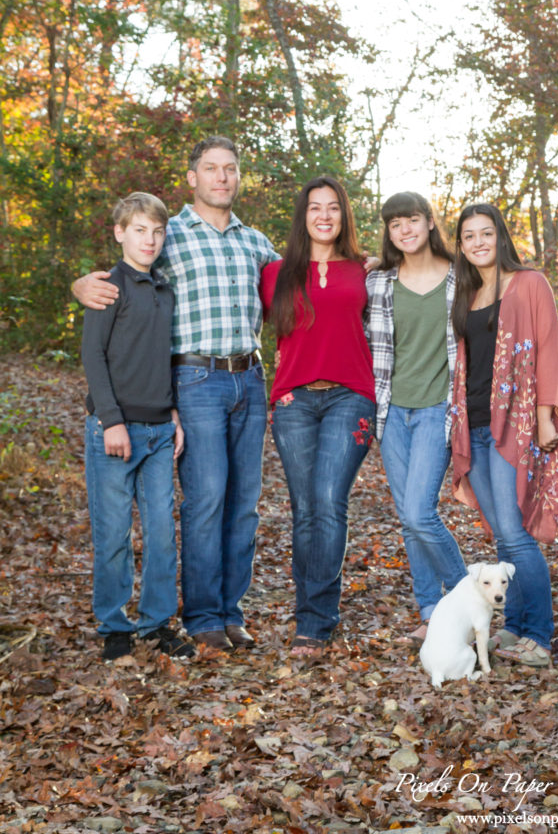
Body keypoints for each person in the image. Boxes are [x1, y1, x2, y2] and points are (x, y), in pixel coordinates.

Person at [73, 137, 279, 651]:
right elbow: (123, 280)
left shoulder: (256, 242)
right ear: (193, 177)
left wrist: (365, 266)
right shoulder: (169, 236)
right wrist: (79, 286)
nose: (222, 177)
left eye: (230, 169)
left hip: (250, 378)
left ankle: (231, 610)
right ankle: (203, 614)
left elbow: (304, 283)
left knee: (244, 504)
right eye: (211, 169)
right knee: (206, 499)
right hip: (196, 379)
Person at [450, 203, 558, 667]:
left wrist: (547, 416)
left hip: (516, 422)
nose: (479, 242)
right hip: (475, 423)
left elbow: (547, 348)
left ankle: (539, 637)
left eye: (486, 233)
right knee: (504, 537)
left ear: (500, 237)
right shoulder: (467, 293)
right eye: (469, 236)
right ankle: (516, 626)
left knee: (516, 534)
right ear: (461, 245)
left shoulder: (529, 283)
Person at [260, 177, 376, 656]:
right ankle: (309, 613)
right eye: (315, 208)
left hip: (351, 397)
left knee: (329, 501)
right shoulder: (274, 273)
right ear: (302, 216)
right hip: (294, 402)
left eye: (333, 207)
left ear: (344, 215)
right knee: (305, 508)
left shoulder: (368, 269)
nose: (324, 215)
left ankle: (317, 622)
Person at [81, 192, 195, 662]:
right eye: (140, 230)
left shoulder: (164, 291)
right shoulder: (108, 287)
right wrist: (111, 421)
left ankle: (156, 623)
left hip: (158, 430)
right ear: (120, 232)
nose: (150, 240)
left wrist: (171, 411)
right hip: (114, 430)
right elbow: (94, 355)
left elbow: (160, 358)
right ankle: (114, 625)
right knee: (113, 536)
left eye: (157, 231)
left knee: (161, 534)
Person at [365, 192, 467, 641]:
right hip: (391, 411)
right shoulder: (379, 282)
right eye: (394, 225)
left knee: (419, 512)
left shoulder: (460, 278)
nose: (404, 230)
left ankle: (466, 601)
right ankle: (430, 612)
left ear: (428, 222)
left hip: (436, 410)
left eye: (411, 220)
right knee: (408, 519)